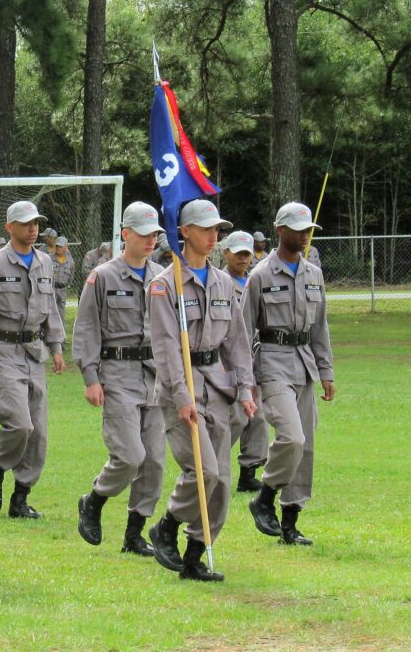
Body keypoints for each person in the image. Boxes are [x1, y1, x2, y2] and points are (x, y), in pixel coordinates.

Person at [147, 200, 256, 582]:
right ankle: (167, 524)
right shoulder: (164, 285)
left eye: (217, 230)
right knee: (205, 471)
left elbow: (238, 342)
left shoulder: (223, 282)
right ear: (185, 232)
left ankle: (194, 555)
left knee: (222, 483)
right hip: (183, 387)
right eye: (206, 229)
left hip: (218, 387)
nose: (214, 237)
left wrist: (245, 387)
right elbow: (164, 347)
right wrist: (182, 397)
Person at [72, 202, 166, 557]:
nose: (150, 240)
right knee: (130, 456)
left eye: (155, 234)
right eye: (143, 234)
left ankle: (134, 533)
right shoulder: (103, 276)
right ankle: (94, 500)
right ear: (125, 234)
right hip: (117, 375)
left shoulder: (162, 277)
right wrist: (90, 377)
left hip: (155, 377)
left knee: (154, 461)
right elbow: (86, 329)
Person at [242, 202, 335, 547]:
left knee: (305, 446)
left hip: (305, 363)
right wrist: (246, 380)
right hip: (272, 361)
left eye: (309, 229)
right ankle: (264, 496)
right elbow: (242, 329)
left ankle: (290, 523)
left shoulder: (314, 274)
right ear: (280, 231)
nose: (306, 235)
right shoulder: (261, 275)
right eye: (299, 229)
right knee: (291, 437)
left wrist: (326, 370)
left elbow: (320, 326)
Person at [0, 200, 65, 520]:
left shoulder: (45, 263)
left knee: (38, 432)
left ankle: (20, 497)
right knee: (19, 424)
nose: (33, 228)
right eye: (26, 223)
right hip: (2, 350)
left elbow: (50, 306)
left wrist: (56, 347)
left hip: (33, 352)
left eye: (36, 222)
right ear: (9, 227)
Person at [221, 231, 268, 492]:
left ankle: (249, 472)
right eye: (237, 252)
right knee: (236, 417)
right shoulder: (219, 282)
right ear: (226, 252)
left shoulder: (255, 281)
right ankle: (212, 462)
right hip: (225, 359)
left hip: (253, 356)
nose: (243, 258)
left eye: (247, 253)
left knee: (257, 417)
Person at [51, 236, 76, 331]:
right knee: (50, 312)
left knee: (61, 313)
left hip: (62, 290)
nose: (58, 248)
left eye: (60, 246)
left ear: (66, 247)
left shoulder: (70, 262)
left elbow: (71, 276)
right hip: (51, 288)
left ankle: (61, 337)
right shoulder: (49, 259)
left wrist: (66, 286)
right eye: (57, 246)